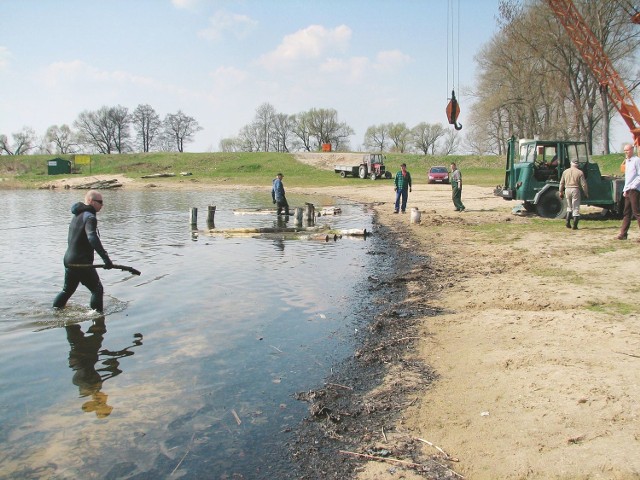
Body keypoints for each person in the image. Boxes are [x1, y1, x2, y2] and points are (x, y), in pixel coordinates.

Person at [53, 190, 113, 313]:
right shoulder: (90, 217)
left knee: (67, 290)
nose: (102, 205)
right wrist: (106, 258)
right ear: (91, 201)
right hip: (81, 262)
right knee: (97, 290)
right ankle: (97, 321)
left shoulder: (77, 215)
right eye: (100, 202)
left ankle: (55, 311)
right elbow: (92, 237)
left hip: (69, 260)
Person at [616, 144, 640, 240]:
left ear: (632, 150)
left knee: (637, 212)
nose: (626, 152)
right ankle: (623, 234)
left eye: (628, 150)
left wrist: (633, 186)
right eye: (625, 150)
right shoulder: (627, 161)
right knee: (627, 213)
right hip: (628, 190)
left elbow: (639, 175)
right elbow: (628, 178)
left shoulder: (637, 160)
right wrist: (625, 190)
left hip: (634, 190)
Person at [559, 158, 589, 230]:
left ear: (571, 164)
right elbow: (584, 184)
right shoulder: (580, 172)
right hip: (575, 189)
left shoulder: (565, 172)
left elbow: (561, 183)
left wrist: (560, 191)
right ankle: (575, 225)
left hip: (567, 189)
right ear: (577, 164)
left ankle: (567, 222)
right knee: (575, 207)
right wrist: (586, 193)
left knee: (569, 206)